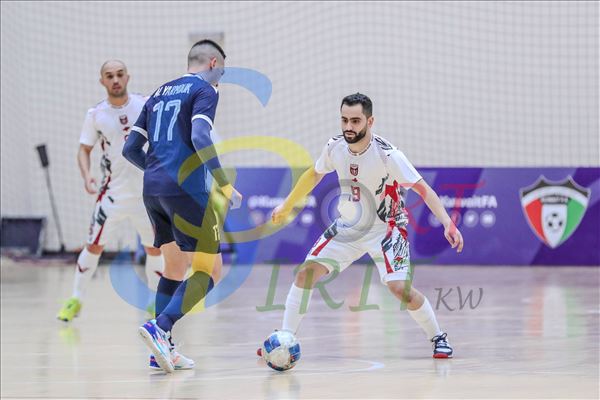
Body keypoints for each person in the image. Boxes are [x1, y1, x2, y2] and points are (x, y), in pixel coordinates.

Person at [261, 93, 463, 359]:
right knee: (305, 273)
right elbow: (314, 174)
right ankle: (284, 340)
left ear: (370, 121)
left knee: (399, 289)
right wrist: (287, 205)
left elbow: (423, 189)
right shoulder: (334, 147)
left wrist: (447, 223)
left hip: (388, 228)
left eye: (355, 121)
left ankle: (438, 336)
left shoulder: (388, 155)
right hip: (349, 226)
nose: (348, 126)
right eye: (344, 120)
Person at [123, 39, 242, 373]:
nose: (221, 78)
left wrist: (157, 171)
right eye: (222, 70)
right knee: (210, 271)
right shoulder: (205, 89)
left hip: (153, 190)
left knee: (174, 267)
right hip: (187, 190)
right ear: (214, 63)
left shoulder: (159, 92)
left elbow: (130, 149)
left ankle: (161, 349)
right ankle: (160, 327)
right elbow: (201, 136)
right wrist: (224, 183)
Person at [57, 60, 164, 322]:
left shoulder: (146, 104)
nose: (115, 80)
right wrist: (87, 176)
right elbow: (84, 149)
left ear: (128, 77)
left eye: (119, 74)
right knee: (94, 245)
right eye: (109, 76)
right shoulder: (96, 114)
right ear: (102, 81)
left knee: (155, 249)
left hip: (147, 194)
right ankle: (75, 299)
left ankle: (155, 303)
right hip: (112, 194)